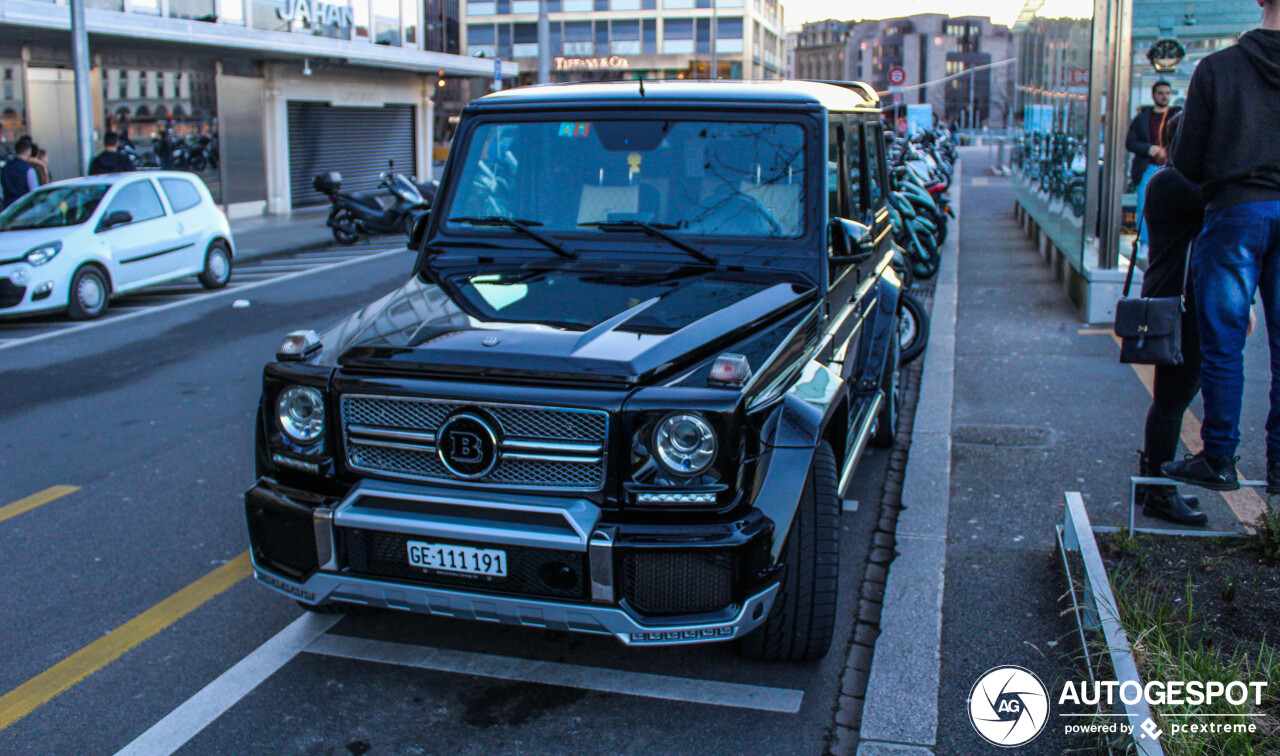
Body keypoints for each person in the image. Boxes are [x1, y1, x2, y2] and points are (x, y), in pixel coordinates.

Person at [1164, 0, 1280, 494]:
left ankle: (1218, 458)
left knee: (1224, 344)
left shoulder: (1217, 68)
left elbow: (1185, 159)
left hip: (1234, 213)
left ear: (1260, 2)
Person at [1135, 114, 1208, 525]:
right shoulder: (1180, 184)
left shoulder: (1166, 179)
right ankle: (1159, 492)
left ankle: (1152, 486)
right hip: (1183, 302)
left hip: (1172, 297)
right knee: (1172, 400)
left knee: (1170, 398)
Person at [1126, 80, 1180, 258]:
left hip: (1171, 168)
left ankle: (1166, 243)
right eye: (1161, 93)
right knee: (1144, 206)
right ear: (1154, 95)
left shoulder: (1178, 115)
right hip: (1148, 167)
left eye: (1167, 93)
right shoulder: (1142, 118)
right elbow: (1130, 142)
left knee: (1172, 206)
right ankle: (1145, 243)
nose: (1164, 96)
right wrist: (1148, 148)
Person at [0, 136, 38, 210]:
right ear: (28, 151)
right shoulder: (29, 170)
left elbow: (1, 193)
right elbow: (35, 193)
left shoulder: (4, 169)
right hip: (25, 209)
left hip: (8, 209)